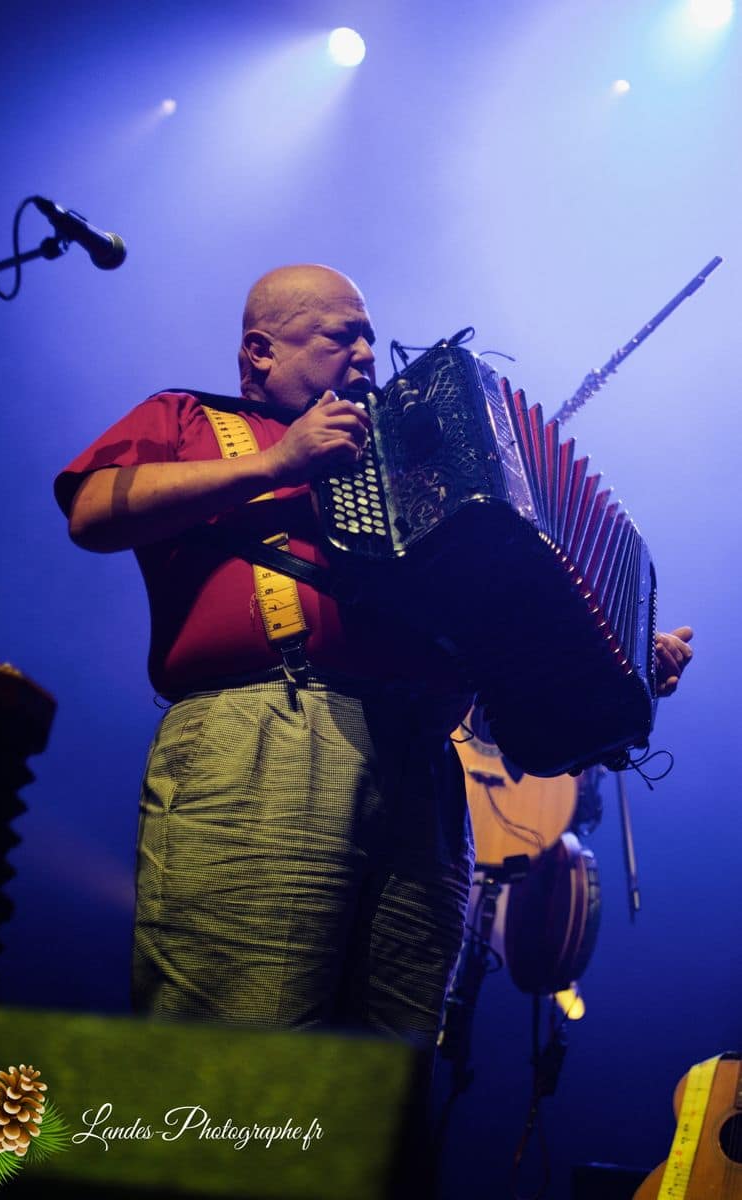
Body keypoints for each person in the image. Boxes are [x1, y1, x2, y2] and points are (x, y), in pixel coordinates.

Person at [55, 264, 693, 1051]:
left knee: (388, 1070)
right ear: (260, 352)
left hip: (425, 765)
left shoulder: (415, 463)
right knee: (240, 1038)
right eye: (340, 336)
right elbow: (92, 512)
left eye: (369, 336)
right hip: (268, 733)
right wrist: (276, 465)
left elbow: (493, 652)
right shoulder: (190, 417)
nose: (365, 353)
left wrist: (613, 655)